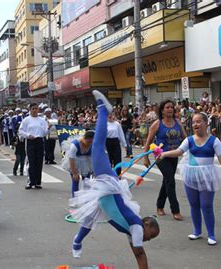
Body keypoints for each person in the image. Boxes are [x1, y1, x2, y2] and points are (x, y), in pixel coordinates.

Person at [70, 91, 159, 269]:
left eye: (151, 237)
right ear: (146, 224)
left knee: (89, 218)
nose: (149, 238)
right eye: (152, 234)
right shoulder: (137, 227)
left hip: (106, 201)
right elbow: (140, 252)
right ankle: (103, 110)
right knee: (96, 145)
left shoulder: (131, 231)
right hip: (109, 188)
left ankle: (77, 242)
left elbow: (138, 255)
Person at [157, 113, 221, 245]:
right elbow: (179, 151)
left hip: (207, 176)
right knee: (194, 205)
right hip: (191, 175)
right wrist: (164, 154)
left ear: (206, 123)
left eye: (199, 122)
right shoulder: (189, 140)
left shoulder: (214, 141)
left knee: (206, 205)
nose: (195, 125)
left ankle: (211, 234)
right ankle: (197, 231)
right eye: (193, 122)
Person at [143, 99, 186, 220]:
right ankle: (175, 210)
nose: (170, 109)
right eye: (167, 107)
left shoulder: (178, 122)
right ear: (162, 110)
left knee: (167, 181)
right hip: (161, 157)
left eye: (172, 107)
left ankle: (159, 205)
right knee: (170, 181)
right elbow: (148, 141)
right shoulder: (157, 124)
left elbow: (185, 138)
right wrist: (146, 158)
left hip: (174, 156)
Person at [18, 103, 48, 189]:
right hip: (30, 141)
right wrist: (28, 135)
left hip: (39, 141)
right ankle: (30, 182)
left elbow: (45, 132)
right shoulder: (26, 120)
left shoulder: (42, 120)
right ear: (30, 110)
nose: (35, 110)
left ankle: (37, 182)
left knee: (39, 162)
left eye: (36, 109)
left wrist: (48, 129)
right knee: (31, 162)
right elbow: (20, 131)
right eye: (33, 109)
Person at [62, 130, 94, 197]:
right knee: (75, 180)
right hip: (75, 161)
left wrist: (95, 170)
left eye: (91, 142)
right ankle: (75, 199)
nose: (89, 144)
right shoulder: (75, 145)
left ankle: (86, 199)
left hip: (87, 161)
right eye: (88, 142)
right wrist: (74, 173)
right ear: (84, 138)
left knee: (87, 181)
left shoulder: (93, 145)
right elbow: (71, 159)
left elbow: (95, 157)